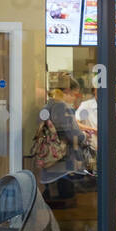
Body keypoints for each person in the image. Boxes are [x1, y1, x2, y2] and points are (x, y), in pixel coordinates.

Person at [38, 74, 86, 205]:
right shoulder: (61, 107)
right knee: (67, 203)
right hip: (63, 166)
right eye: (75, 95)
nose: (74, 98)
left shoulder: (48, 105)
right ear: (67, 91)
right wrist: (85, 136)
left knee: (54, 202)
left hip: (50, 161)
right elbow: (74, 135)